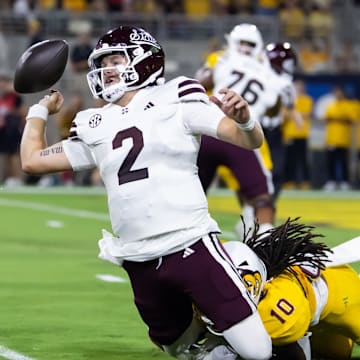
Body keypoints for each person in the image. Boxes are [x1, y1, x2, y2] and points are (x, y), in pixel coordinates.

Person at [20, 26, 272, 360]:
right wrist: (39, 111)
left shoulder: (177, 96)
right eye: (102, 62)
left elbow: (247, 140)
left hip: (190, 244)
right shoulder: (95, 122)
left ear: (144, 60)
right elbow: (32, 161)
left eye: (114, 59)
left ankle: (242, 266)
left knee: (258, 351)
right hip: (139, 258)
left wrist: (243, 121)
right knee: (179, 348)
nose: (105, 69)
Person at [198, 218, 360, 359]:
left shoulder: (278, 307)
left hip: (345, 296)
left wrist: (227, 347)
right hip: (308, 305)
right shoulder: (222, 258)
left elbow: (294, 354)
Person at [195, 23, 280, 239]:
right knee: (262, 195)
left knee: (193, 193)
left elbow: (197, 85)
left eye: (247, 44)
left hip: (212, 129)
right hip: (244, 132)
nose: (243, 48)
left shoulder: (222, 59)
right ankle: (263, 237)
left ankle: (184, 240)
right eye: (241, 43)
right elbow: (273, 110)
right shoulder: (267, 70)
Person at [260, 41, 300, 199]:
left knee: (277, 171)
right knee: (258, 169)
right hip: (258, 128)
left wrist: (293, 116)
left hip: (273, 130)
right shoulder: (260, 77)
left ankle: (267, 206)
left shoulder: (284, 83)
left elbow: (289, 106)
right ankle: (253, 208)